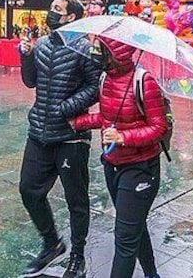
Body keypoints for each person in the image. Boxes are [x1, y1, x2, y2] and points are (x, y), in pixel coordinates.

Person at [18, 0, 102, 278]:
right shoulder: (41, 44)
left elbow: (96, 86)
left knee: (75, 199)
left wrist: (68, 107)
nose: (51, 13)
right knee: (29, 190)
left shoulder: (84, 49)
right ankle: (52, 243)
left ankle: (77, 256)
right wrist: (26, 55)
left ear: (71, 18)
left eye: (57, 10)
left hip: (71, 137)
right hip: (39, 132)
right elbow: (30, 81)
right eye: (52, 8)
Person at [72, 38, 167, 278]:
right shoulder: (105, 78)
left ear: (116, 53)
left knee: (124, 237)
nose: (97, 54)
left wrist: (124, 137)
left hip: (141, 169)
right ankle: (152, 274)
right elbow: (106, 119)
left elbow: (159, 128)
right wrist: (77, 122)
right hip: (112, 165)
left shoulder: (143, 81)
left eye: (101, 50)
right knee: (133, 226)